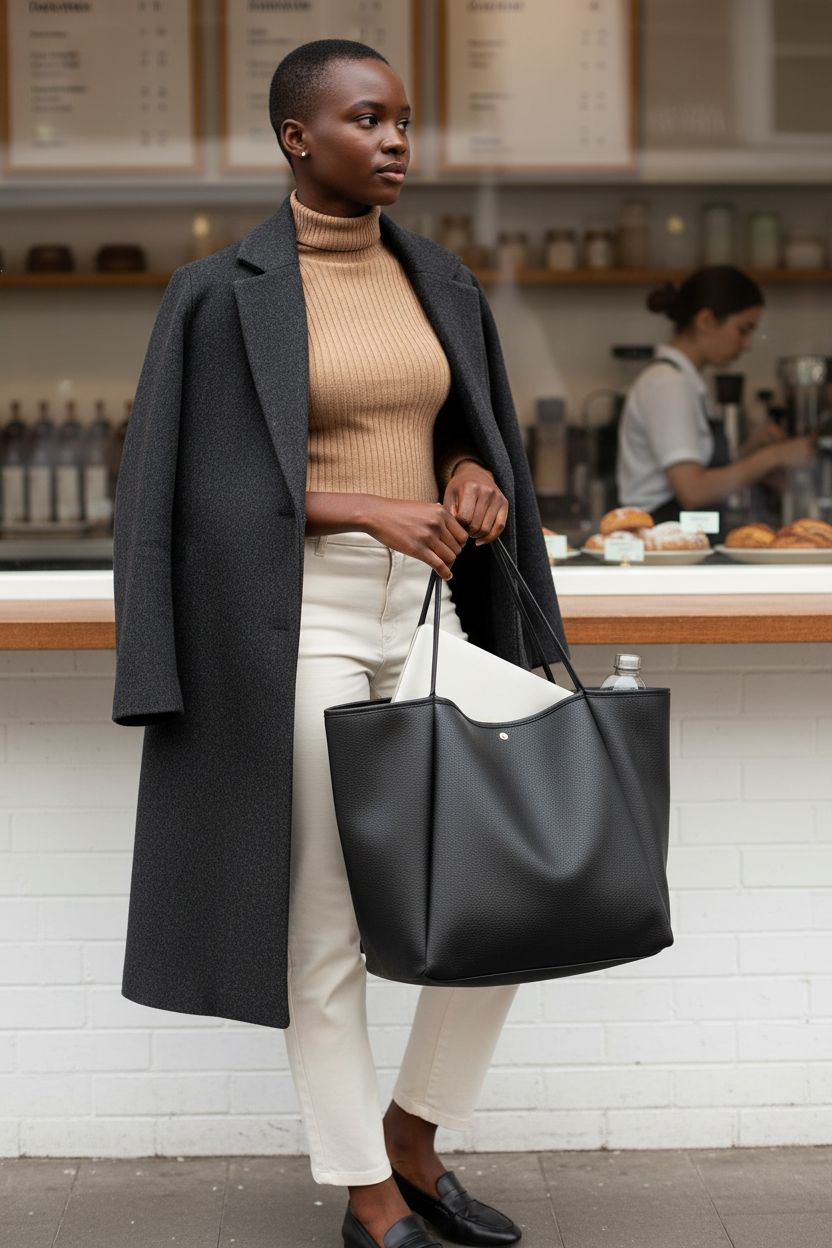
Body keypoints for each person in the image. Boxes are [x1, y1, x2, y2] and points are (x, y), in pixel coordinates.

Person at [111, 37, 567, 1248]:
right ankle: (369, 1197)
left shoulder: (442, 281)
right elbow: (181, 492)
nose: (398, 141)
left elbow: (465, 437)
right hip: (292, 618)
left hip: (422, 607)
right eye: (368, 120)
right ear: (296, 138)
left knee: (518, 878)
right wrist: (363, 504)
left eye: (404, 120)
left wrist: (471, 474)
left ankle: (415, 1139)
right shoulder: (219, 293)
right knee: (323, 926)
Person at [615, 265, 816, 536]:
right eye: (743, 330)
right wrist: (774, 456)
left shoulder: (683, 381)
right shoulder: (668, 384)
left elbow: (697, 471)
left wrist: (749, 451)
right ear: (707, 320)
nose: (748, 345)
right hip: (663, 547)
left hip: (681, 545)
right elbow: (693, 491)